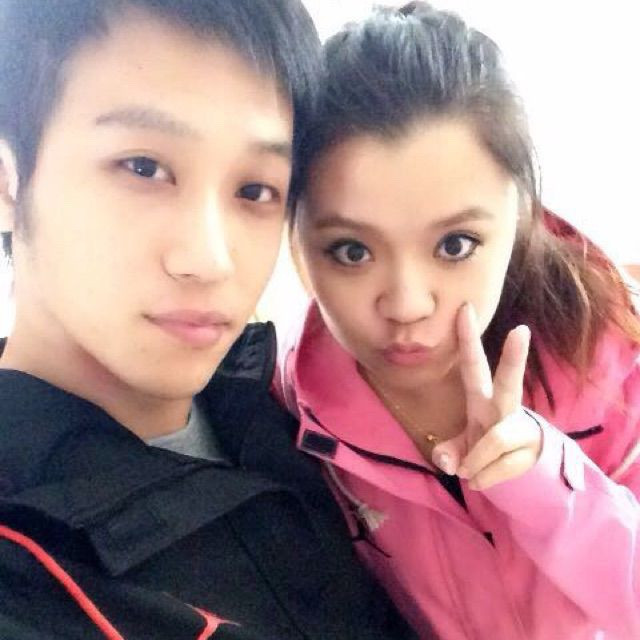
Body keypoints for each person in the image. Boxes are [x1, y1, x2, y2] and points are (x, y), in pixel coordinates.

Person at [0, 1, 420, 638]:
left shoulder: (299, 413)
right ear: (8, 185)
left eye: (255, 191)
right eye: (144, 168)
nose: (210, 259)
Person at [282, 2, 640, 639]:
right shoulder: (291, 413)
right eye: (351, 251)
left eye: (455, 245)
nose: (407, 304)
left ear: (520, 217)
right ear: (296, 242)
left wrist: (547, 485)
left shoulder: (609, 364)